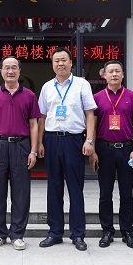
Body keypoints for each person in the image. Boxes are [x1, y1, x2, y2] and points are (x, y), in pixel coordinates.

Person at [37, 47, 97, 251]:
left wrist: (90, 141)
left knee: (75, 187)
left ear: (71, 63)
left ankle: (78, 234)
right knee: (54, 186)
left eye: (64, 60)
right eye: (56, 61)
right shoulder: (47, 87)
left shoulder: (82, 84)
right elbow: (42, 117)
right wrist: (40, 143)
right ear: (52, 64)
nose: (60, 64)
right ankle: (55, 232)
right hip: (52, 139)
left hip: (74, 140)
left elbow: (90, 114)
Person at [0, 56, 41, 250]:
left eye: (14, 67)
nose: (10, 71)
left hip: (21, 146)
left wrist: (33, 151)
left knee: (21, 192)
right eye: (6, 67)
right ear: (1, 71)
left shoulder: (29, 95)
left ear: (19, 71)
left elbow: (34, 124)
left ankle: (17, 234)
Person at [90, 60, 133, 249]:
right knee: (105, 193)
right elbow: (92, 126)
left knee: (126, 193)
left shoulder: (132, 96)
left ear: (122, 74)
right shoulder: (97, 97)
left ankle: (127, 231)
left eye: (117, 71)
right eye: (110, 71)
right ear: (104, 75)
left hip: (126, 149)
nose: (114, 74)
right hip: (104, 149)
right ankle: (107, 231)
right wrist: (93, 151)